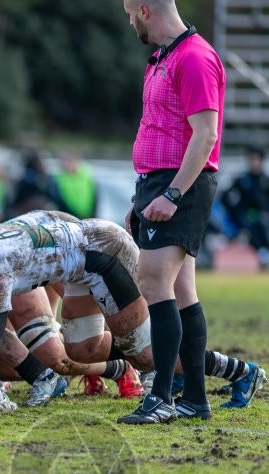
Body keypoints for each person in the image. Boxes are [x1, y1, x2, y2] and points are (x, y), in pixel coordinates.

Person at [119, 0, 239, 423]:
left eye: (130, 13)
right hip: (159, 182)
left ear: (145, 9)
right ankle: (194, 398)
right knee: (182, 290)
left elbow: (205, 136)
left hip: (180, 183)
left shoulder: (195, 56)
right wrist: (144, 198)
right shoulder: (163, 57)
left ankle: (162, 398)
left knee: (152, 283)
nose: (129, 20)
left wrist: (171, 195)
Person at [219, 145, 269, 268]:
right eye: (252, 159)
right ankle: (261, 252)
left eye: (256, 159)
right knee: (252, 224)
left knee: (263, 223)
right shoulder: (242, 180)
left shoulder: (265, 180)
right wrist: (236, 211)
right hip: (246, 215)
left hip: (263, 215)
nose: (254, 163)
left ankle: (263, 252)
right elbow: (225, 197)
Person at [54, 152, 98, 219]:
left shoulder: (86, 174)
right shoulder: (59, 178)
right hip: (69, 216)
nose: (67, 164)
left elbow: (94, 195)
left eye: (69, 161)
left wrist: (93, 213)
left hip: (88, 214)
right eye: (65, 161)